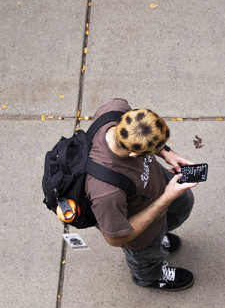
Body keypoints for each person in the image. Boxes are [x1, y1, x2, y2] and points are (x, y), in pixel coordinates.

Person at [85, 99, 199, 291]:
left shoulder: (115, 108)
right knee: (148, 255)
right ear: (133, 154)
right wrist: (165, 199)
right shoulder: (106, 191)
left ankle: (160, 235)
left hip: (153, 190)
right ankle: (150, 277)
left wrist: (167, 153)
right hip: (140, 232)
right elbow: (116, 239)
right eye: (152, 152)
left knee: (181, 205)